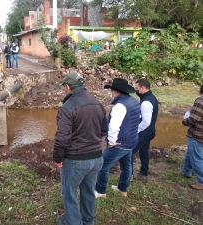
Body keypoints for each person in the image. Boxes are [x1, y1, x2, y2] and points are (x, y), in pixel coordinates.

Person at [53, 72, 108, 225]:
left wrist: (57, 158)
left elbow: (62, 138)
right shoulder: (98, 103)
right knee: (88, 190)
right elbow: (104, 130)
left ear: (68, 87)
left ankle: (73, 223)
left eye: (65, 86)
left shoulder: (67, 107)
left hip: (77, 160)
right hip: (97, 158)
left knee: (69, 193)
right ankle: (88, 220)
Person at [95, 78, 140, 198]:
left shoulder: (119, 106)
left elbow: (114, 127)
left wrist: (111, 142)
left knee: (102, 165)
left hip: (120, 144)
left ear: (116, 92)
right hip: (132, 141)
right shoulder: (134, 101)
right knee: (126, 166)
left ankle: (100, 191)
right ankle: (122, 189)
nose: (111, 94)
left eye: (111, 91)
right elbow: (137, 120)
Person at [174, 85, 203, 190]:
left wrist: (184, 121)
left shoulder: (200, 101)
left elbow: (193, 119)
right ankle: (186, 171)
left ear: (200, 91)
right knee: (189, 153)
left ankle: (202, 181)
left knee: (196, 158)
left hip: (198, 134)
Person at [131, 78, 158, 182]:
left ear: (142, 88)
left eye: (137, 88)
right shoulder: (152, 97)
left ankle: (129, 175)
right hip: (150, 131)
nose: (136, 91)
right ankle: (144, 172)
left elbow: (146, 122)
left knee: (130, 152)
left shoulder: (146, 102)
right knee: (144, 151)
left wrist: (135, 130)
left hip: (144, 132)